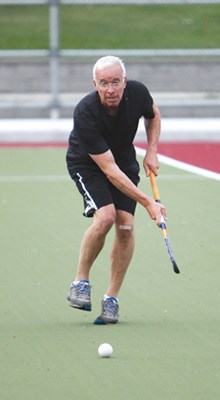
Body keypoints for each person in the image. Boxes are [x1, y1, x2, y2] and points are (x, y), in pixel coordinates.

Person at [66, 55, 166, 325]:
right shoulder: (85, 112)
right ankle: (81, 281)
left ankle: (111, 299)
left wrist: (152, 151)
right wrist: (149, 203)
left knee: (125, 227)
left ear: (124, 81)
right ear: (94, 84)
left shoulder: (138, 93)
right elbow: (109, 171)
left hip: (122, 159)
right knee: (107, 216)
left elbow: (153, 114)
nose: (110, 90)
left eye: (115, 82)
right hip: (88, 164)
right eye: (103, 83)